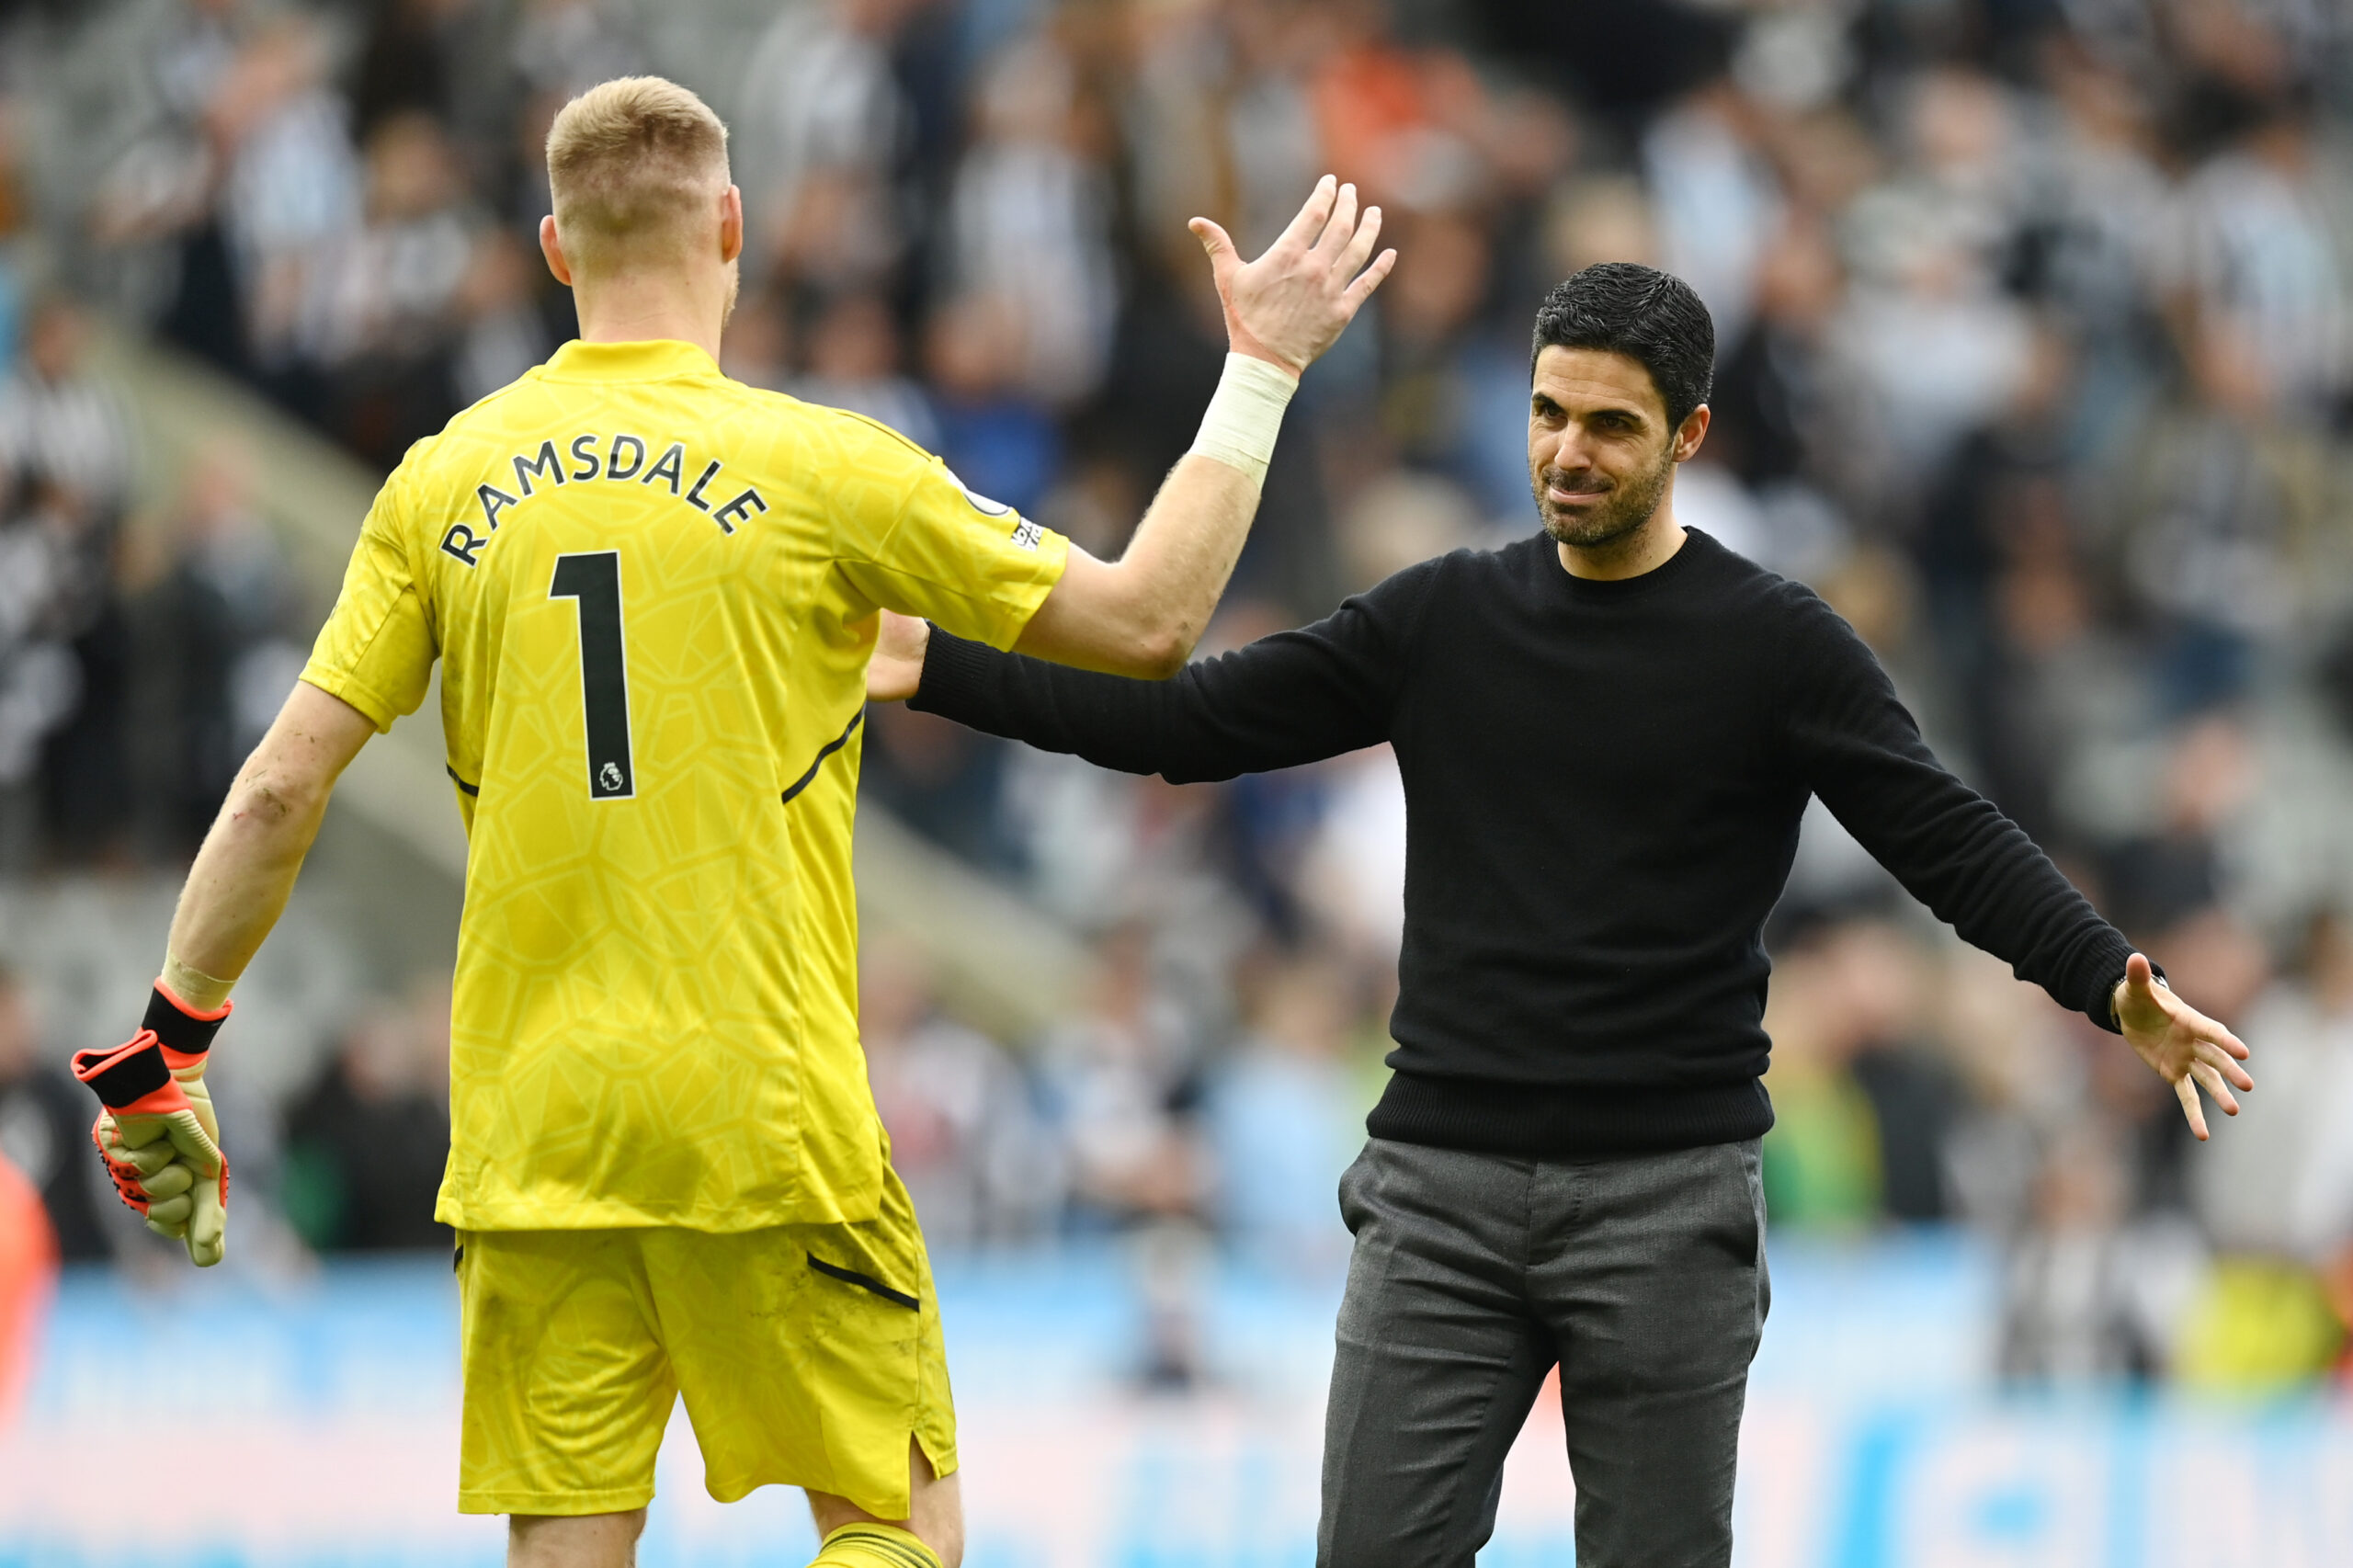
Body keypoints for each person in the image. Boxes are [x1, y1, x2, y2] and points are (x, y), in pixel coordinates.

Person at [66, 75, 1392, 1568]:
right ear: (735, 227)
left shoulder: (439, 485)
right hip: (766, 1117)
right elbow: (1150, 618)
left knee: (567, 1550)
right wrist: (1264, 364)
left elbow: (279, 784)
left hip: (537, 1131)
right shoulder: (824, 469)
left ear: (556, 250)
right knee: (896, 1525)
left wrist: (166, 1048)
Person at [867, 261, 2254, 1568]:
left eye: (1609, 423)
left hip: (1667, 1205)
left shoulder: (1775, 644)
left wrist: (2106, 980)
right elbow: (1185, 721)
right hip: (1438, 1198)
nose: (1566, 451)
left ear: (1690, 432)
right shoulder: (1444, 619)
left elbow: (1944, 837)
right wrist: (936, 664)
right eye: (1546, 412)